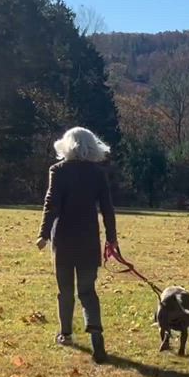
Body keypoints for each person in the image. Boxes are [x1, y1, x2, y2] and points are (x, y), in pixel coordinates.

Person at [36, 127, 118, 363]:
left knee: (65, 291)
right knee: (87, 290)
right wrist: (112, 238)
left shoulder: (58, 171)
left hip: (63, 239)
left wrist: (43, 234)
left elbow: (51, 204)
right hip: (89, 239)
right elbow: (108, 208)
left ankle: (66, 334)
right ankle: (96, 333)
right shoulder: (98, 173)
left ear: (67, 145)